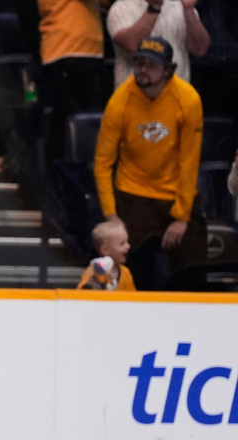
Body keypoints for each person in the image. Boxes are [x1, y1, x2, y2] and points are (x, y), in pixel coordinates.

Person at [93, 37, 206, 291]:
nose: (143, 70)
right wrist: (112, 216)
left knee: (193, 273)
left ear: (168, 70)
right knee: (132, 272)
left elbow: (189, 161)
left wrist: (181, 217)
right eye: (139, 63)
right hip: (133, 194)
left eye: (151, 65)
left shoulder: (188, 99)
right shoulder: (120, 100)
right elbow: (102, 163)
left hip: (175, 193)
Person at [37, 0, 109, 162]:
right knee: (72, 123)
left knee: (69, 122)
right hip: (70, 50)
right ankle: (58, 173)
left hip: (77, 50)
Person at [105, 0, 210, 87]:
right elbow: (132, 45)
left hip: (176, 97)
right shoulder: (121, 8)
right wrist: (155, 7)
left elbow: (200, 49)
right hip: (133, 98)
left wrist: (188, 10)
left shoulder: (180, 6)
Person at [77, 220, 135, 290]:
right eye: (122, 244)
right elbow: (81, 292)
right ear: (105, 250)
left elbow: (132, 295)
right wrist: (91, 282)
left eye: (127, 242)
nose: (128, 246)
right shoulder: (94, 270)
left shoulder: (126, 273)